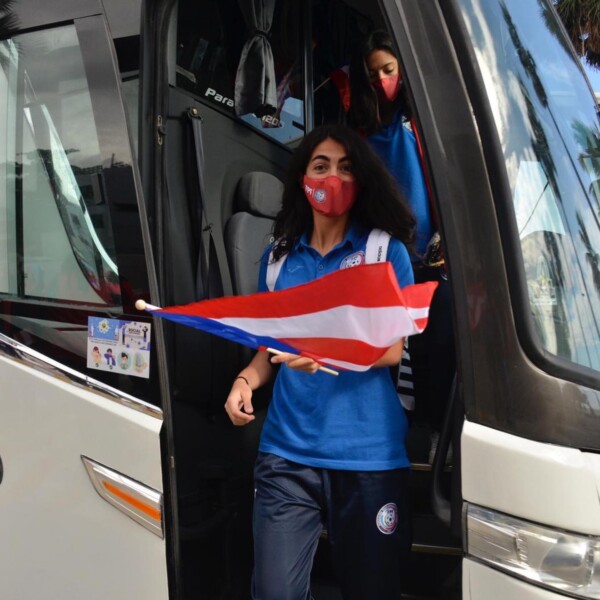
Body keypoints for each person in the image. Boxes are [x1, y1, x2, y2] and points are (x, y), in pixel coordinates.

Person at [225, 124, 416, 600]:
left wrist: (320, 350)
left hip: (369, 458)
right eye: (321, 165)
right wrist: (245, 381)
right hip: (287, 454)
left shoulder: (385, 253)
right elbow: (270, 348)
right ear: (303, 178)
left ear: (362, 178)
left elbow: (392, 349)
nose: (333, 178)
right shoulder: (278, 259)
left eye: (346, 167)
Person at [349, 31, 455, 460]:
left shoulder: (422, 121)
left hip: (432, 256)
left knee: (437, 343)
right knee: (392, 349)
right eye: (373, 74)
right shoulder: (363, 132)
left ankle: (435, 433)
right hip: (385, 257)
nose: (381, 81)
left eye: (388, 70)